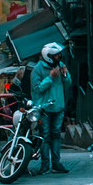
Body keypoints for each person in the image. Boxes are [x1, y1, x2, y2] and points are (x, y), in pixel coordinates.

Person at [30, 42, 71, 175]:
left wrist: (65, 75)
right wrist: (50, 78)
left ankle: (56, 163)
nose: (59, 56)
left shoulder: (59, 66)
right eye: (56, 55)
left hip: (58, 106)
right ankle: (45, 164)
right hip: (44, 108)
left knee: (56, 135)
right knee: (45, 136)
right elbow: (37, 89)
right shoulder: (38, 69)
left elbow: (68, 84)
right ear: (49, 56)